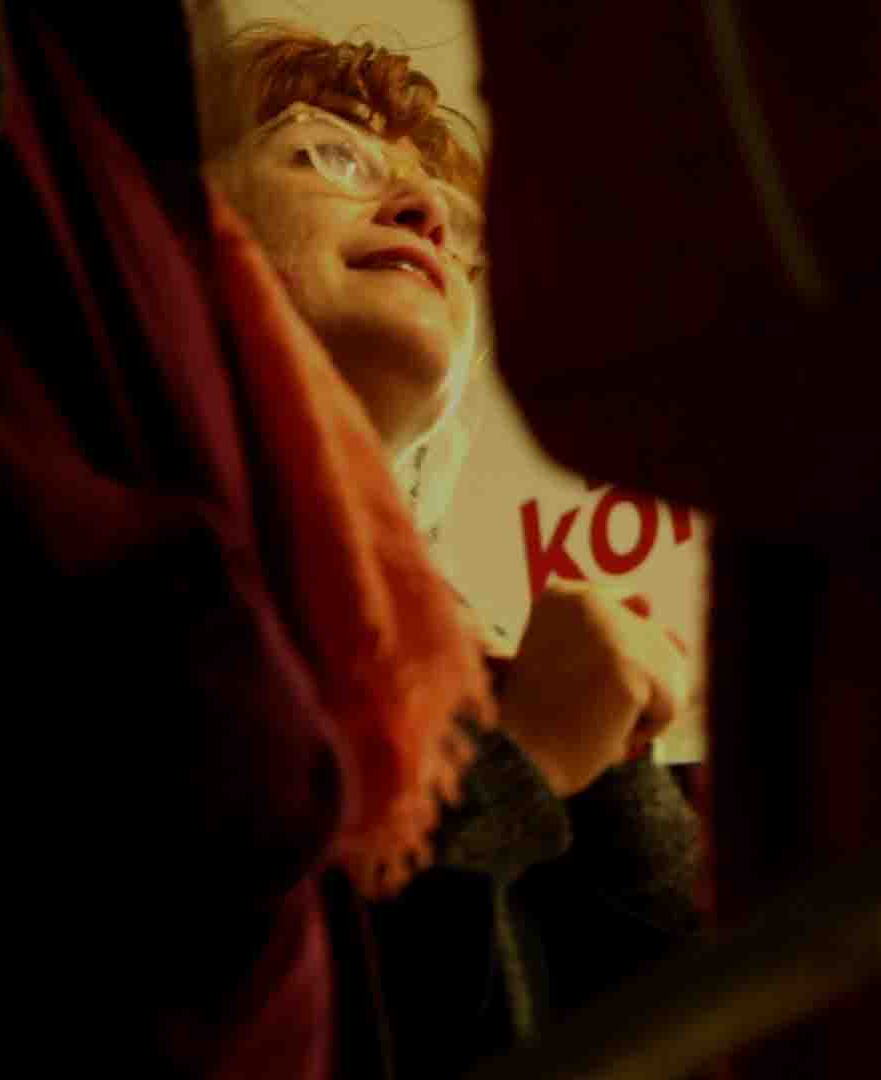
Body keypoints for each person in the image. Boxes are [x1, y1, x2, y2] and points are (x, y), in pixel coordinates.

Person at [198, 23, 706, 1073]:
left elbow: (698, 1024)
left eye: (457, 221)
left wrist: (609, 774)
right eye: (330, 154)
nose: (423, 212)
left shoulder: (465, 666)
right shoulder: (156, 579)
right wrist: (530, 762)